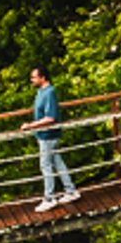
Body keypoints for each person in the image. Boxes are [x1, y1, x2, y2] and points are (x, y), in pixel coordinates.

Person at [22, 66, 80, 212]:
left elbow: (50, 117)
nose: (32, 80)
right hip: (43, 135)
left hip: (48, 135)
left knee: (45, 166)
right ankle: (71, 190)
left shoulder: (49, 93)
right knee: (57, 162)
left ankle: (49, 198)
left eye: (34, 77)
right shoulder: (40, 92)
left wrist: (30, 125)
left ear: (43, 78)